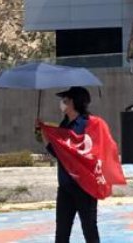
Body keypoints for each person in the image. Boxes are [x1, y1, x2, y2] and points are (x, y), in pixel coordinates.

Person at [36, 87, 99, 243]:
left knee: (89, 230)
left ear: (75, 102)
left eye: (66, 100)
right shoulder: (64, 124)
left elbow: (95, 151)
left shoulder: (89, 124)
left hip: (85, 188)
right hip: (65, 188)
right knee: (62, 233)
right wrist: (43, 130)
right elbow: (57, 151)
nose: (62, 104)